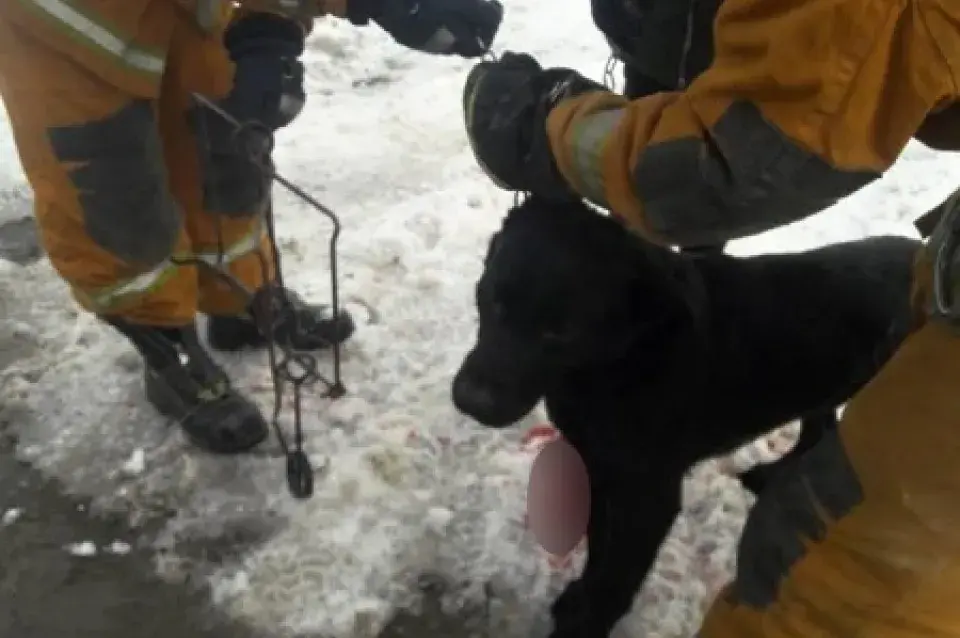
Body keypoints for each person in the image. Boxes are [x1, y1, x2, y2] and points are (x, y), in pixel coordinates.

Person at [461, 0, 960, 635]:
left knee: (822, 580)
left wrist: (550, 123)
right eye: (497, 306)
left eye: (553, 331)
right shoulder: (590, 306)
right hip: (906, 280)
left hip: (904, 314)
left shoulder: (644, 391)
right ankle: (814, 434)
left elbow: (735, 159)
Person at [0, 0, 502, 455]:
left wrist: (273, 22)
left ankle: (238, 298)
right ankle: (162, 339)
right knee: (110, 190)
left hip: (184, 11)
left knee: (224, 146)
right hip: (64, 23)